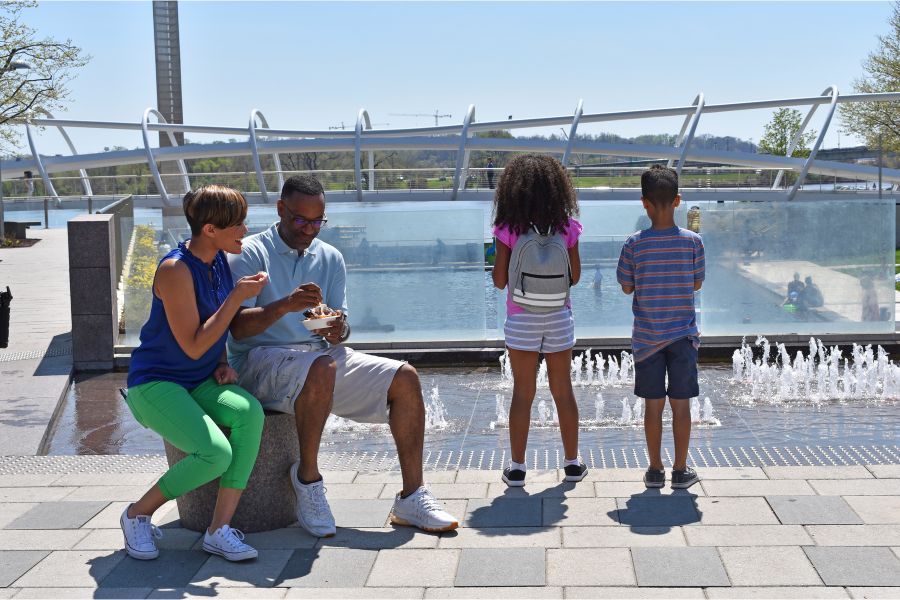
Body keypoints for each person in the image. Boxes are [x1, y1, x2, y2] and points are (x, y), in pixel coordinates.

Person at [227, 174, 459, 537]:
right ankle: (308, 479)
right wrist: (285, 305)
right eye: (299, 220)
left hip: (319, 356)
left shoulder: (330, 257)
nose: (308, 230)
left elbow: (340, 327)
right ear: (280, 209)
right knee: (322, 367)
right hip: (260, 360)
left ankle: (412, 496)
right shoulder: (250, 253)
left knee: (405, 378)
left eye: (316, 221)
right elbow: (237, 328)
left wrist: (337, 329)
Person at [121, 185, 269, 562]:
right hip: (156, 383)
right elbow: (192, 345)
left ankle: (219, 531)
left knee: (249, 412)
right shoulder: (174, 270)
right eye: (238, 224)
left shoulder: (217, 259)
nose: (245, 230)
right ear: (210, 229)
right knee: (214, 454)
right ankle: (137, 514)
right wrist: (236, 298)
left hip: (199, 379)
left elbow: (212, 329)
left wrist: (222, 362)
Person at [491, 154, 587, 487]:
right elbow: (576, 277)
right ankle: (572, 463)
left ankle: (517, 468)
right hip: (559, 315)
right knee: (563, 389)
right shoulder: (568, 227)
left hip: (521, 318)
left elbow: (500, 281)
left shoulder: (508, 228)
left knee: (523, 391)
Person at [617, 165, 705, 490]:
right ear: (678, 200)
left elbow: (627, 286)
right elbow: (696, 284)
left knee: (652, 406)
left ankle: (655, 469)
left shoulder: (634, 244)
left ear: (645, 203)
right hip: (683, 336)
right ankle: (680, 470)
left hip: (647, 340)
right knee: (682, 406)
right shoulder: (693, 242)